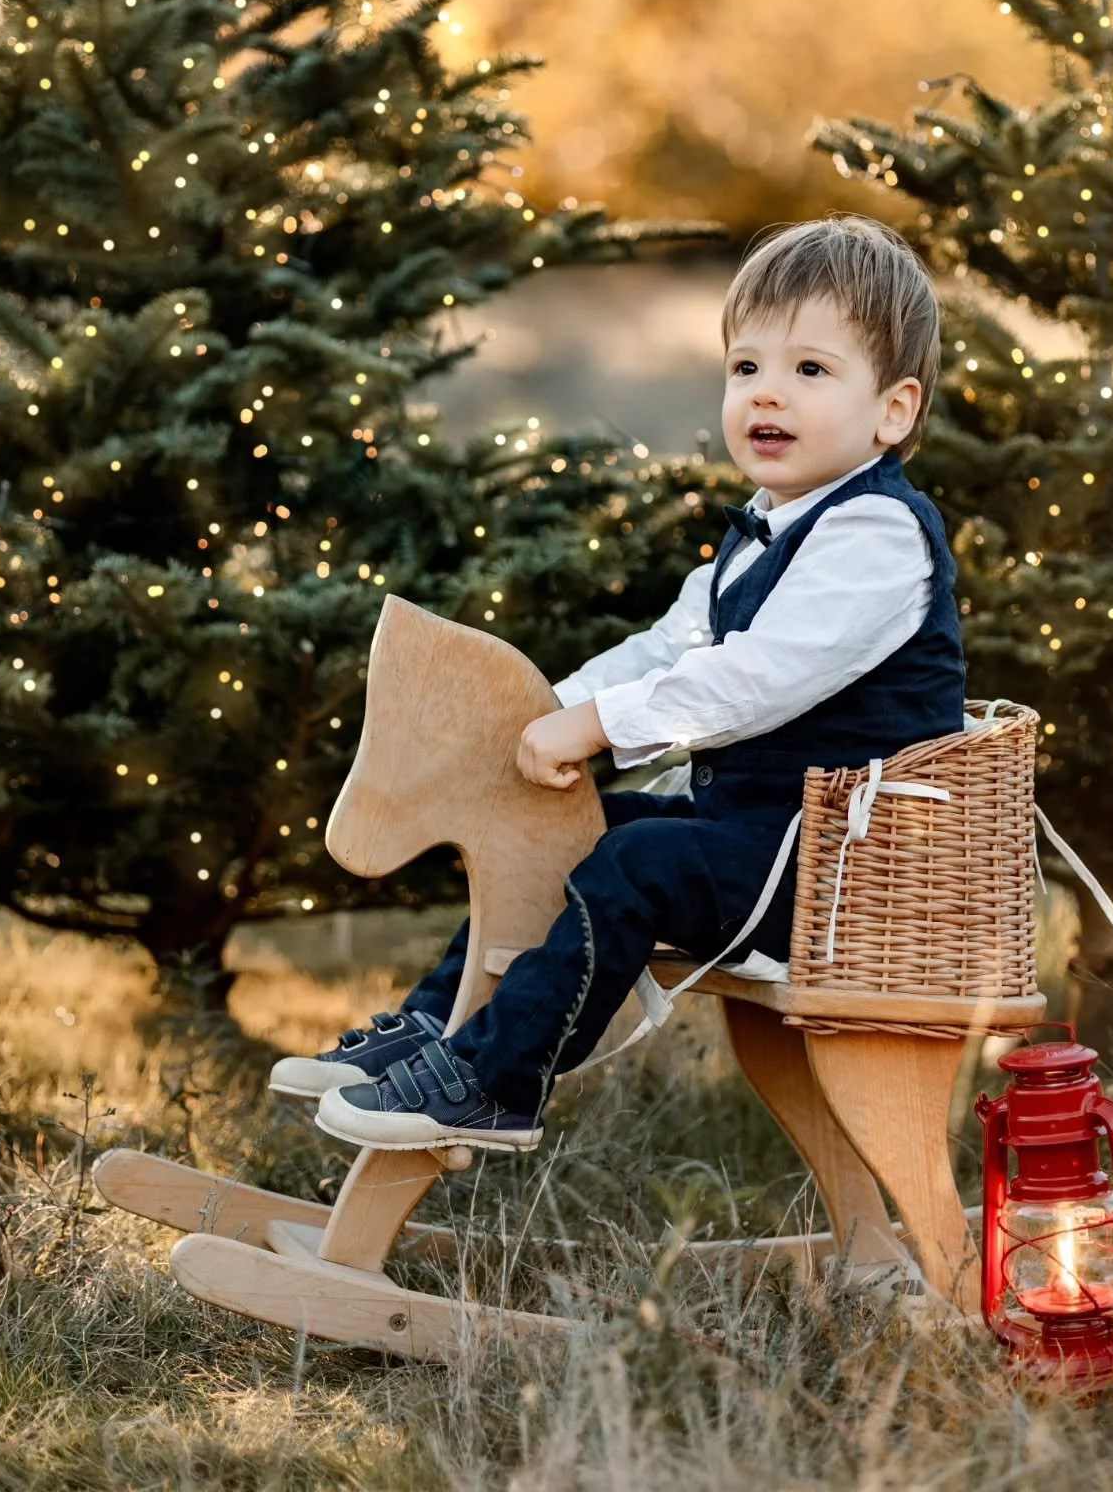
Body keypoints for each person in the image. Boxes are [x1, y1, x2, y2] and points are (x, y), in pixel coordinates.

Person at [272, 212, 966, 1152]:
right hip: (760, 840)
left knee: (634, 867)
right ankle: (442, 1024)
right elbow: (665, 648)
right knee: (583, 836)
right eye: (746, 368)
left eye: (810, 370)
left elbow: (755, 680)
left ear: (893, 410)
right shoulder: (769, 523)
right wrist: (547, 711)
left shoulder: (879, 536)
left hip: (843, 871)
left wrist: (602, 727)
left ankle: (495, 1083)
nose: (768, 394)